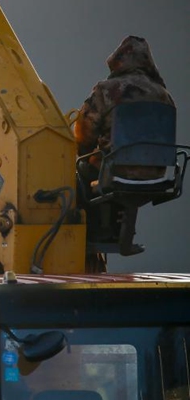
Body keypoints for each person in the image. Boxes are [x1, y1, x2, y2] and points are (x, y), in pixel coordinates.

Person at [73, 36, 175, 262]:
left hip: (114, 171)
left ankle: (92, 233)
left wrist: (82, 153)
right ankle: (120, 234)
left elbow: (84, 132)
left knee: (79, 172)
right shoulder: (163, 94)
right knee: (112, 172)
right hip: (156, 174)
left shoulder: (108, 89)